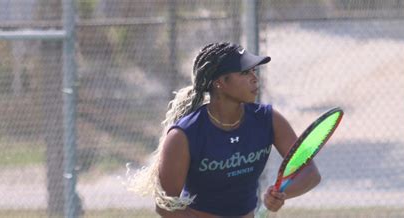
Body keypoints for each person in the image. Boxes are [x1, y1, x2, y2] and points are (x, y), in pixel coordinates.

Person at [126, 42, 321, 217]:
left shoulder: (268, 120)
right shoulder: (183, 136)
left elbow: (310, 172)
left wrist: (282, 194)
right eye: (245, 73)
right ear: (220, 83)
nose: (255, 79)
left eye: (254, 71)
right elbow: (165, 206)